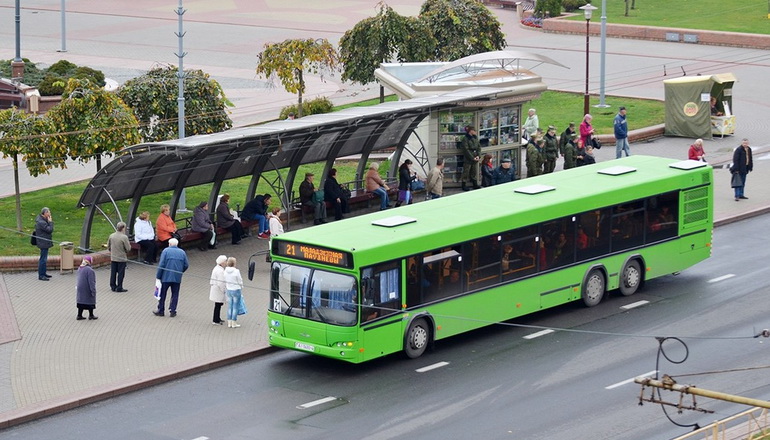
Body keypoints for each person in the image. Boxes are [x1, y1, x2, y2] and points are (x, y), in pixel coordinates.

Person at [153, 238, 189, 318]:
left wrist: (158, 275)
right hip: (177, 277)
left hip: (166, 277)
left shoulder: (166, 251)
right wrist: (180, 271)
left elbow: (161, 264)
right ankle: (173, 311)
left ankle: (161, 310)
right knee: (175, 294)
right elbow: (186, 265)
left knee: (162, 294)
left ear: (169, 244)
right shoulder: (182, 252)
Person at [108, 221, 131, 292]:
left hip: (113, 257)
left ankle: (113, 286)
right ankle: (119, 287)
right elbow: (128, 248)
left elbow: (108, 246)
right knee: (121, 273)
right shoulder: (124, 237)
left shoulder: (111, 235)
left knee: (113, 272)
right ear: (123, 228)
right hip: (121, 258)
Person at [34, 207, 54, 281]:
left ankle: (44, 273)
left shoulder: (42, 220)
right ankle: (41, 275)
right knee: (43, 259)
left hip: (44, 242)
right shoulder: (41, 222)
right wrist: (50, 222)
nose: (50, 214)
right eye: (48, 212)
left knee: (44, 258)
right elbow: (49, 230)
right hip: (43, 242)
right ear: (45, 213)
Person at [224, 257, 244, 328]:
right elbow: (239, 280)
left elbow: (225, 280)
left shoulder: (225, 271)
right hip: (236, 290)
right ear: (234, 263)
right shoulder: (236, 271)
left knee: (230, 306)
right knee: (235, 306)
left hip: (229, 289)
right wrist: (241, 286)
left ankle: (229, 322)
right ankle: (234, 322)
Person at [75, 255, 97, 321]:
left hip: (80, 288)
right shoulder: (90, 270)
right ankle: (91, 315)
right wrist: (93, 291)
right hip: (87, 288)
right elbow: (91, 282)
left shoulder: (80, 268)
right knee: (90, 301)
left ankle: (79, 315)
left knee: (81, 302)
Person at [460, 125, 481, 191]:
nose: (475, 132)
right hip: (468, 158)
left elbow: (478, 147)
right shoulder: (465, 139)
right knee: (466, 171)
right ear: (471, 131)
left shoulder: (475, 138)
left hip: (475, 156)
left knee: (474, 171)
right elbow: (466, 150)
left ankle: (475, 184)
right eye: (474, 131)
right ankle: (464, 185)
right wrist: (472, 157)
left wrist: (478, 155)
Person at [209, 255, 227, 325]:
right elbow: (221, 282)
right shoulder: (220, 271)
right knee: (218, 305)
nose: (226, 263)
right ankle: (216, 320)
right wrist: (224, 290)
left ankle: (217, 318)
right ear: (222, 262)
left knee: (218, 305)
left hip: (216, 289)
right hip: (218, 290)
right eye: (225, 261)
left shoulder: (217, 268)